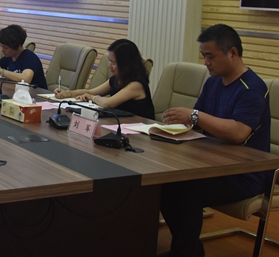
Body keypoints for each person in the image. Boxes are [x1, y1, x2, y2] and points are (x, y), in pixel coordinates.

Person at [159, 24, 271, 257]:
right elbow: (198, 122)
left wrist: (194, 116)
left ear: (232, 53)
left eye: (210, 56)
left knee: (184, 190)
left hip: (242, 174)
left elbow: (238, 132)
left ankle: (186, 253)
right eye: (204, 56)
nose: (206, 63)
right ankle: (189, 251)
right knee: (163, 183)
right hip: (211, 163)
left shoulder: (252, 88)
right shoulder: (213, 82)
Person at [54, 39, 155, 119]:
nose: (109, 65)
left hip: (138, 131)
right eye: (109, 61)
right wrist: (68, 93)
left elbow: (108, 103)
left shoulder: (137, 84)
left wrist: (92, 97)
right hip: (119, 123)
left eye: (113, 63)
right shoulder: (117, 79)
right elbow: (90, 91)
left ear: (126, 64)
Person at [0, 25, 47, 89]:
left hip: (36, 95)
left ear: (18, 46)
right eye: (1, 46)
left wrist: (1, 71)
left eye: (6, 48)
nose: (2, 50)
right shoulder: (10, 56)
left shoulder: (30, 58)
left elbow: (26, 79)